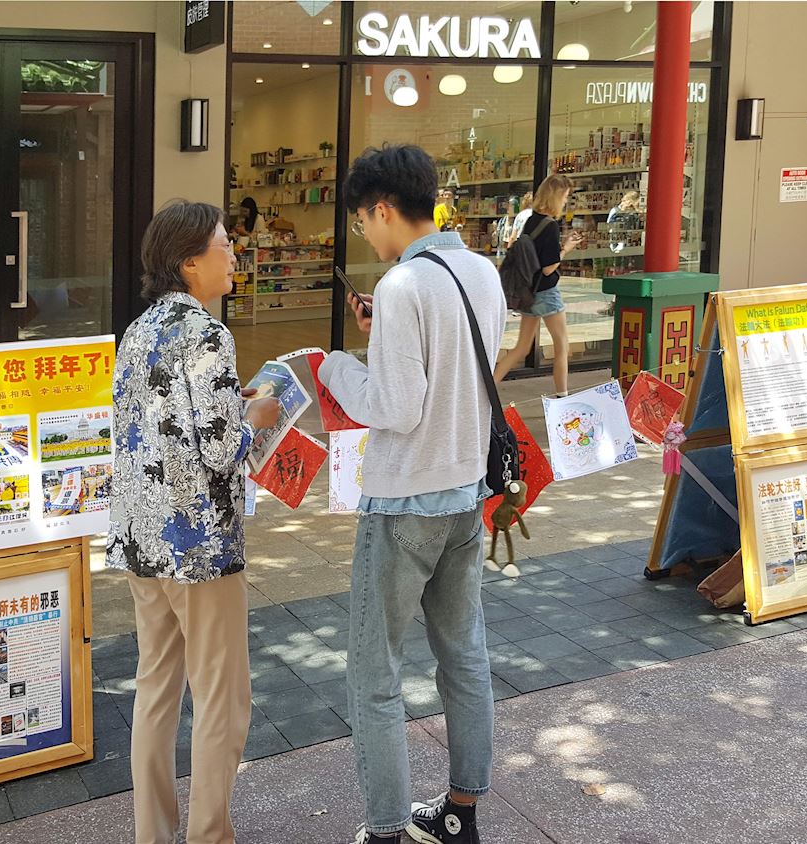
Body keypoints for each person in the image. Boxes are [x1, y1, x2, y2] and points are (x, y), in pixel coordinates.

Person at [319, 144, 506, 844]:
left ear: (382, 208)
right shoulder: (482, 272)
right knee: (463, 654)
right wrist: (385, 334)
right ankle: (462, 813)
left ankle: (387, 830)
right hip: (466, 493)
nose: (365, 236)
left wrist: (335, 366)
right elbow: (457, 364)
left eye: (363, 222)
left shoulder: (402, 287)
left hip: (403, 505)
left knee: (375, 672)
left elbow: (393, 406)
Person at [106, 200, 282, 844]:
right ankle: (209, 836)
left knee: (156, 690)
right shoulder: (209, 334)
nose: (233, 252)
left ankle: (153, 833)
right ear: (189, 263)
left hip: (140, 536)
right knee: (221, 698)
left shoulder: (139, 330)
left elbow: (156, 428)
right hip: (200, 545)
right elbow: (216, 446)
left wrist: (226, 411)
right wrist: (256, 416)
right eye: (223, 245)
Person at [492, 174, 581, 396]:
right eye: (565, 197)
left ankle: (487, 389)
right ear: (557, 197)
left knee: (521, 347)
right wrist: (567, 248)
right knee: (562, 345)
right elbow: (549, 267)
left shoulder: (531, 220)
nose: (565, 202)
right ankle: (562, 396)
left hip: (529, 292)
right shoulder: (550, 226)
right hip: (547, 292)